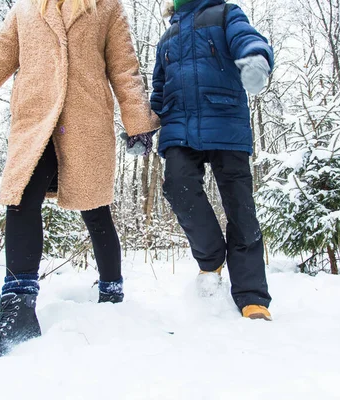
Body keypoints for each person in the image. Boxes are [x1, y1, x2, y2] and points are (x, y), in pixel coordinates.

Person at [0, 0, 159, 359]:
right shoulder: (25, 9)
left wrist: (137, 122)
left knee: (95, 209)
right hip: (36, 123)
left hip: (85, 123)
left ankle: (112, 292)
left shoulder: (106, 7)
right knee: (20, 196)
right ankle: (18, 309)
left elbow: (124, 69)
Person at [143, 0, 274, 320]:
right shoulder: (167, 37)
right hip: (178, 128)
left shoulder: (225, 13)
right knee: (177, 186)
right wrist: (141, 130)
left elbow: (247, 38)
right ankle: (211, 255)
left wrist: (256, 59)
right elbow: (159, 89)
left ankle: (251, 294)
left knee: (240, 207)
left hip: (226, 121)